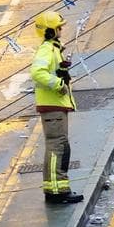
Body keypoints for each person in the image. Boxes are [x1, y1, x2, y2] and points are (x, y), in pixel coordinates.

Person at [31, 11, 83, 204]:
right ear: (50, 31)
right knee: (56, 147)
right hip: (52, 105)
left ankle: (59, 188)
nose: (62, 29)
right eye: (59, 27)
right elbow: (37, 72)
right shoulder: (47, 49)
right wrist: (58, 84)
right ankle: (55, 192)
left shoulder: (53, 48)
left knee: (61, 146)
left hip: (56, 105)